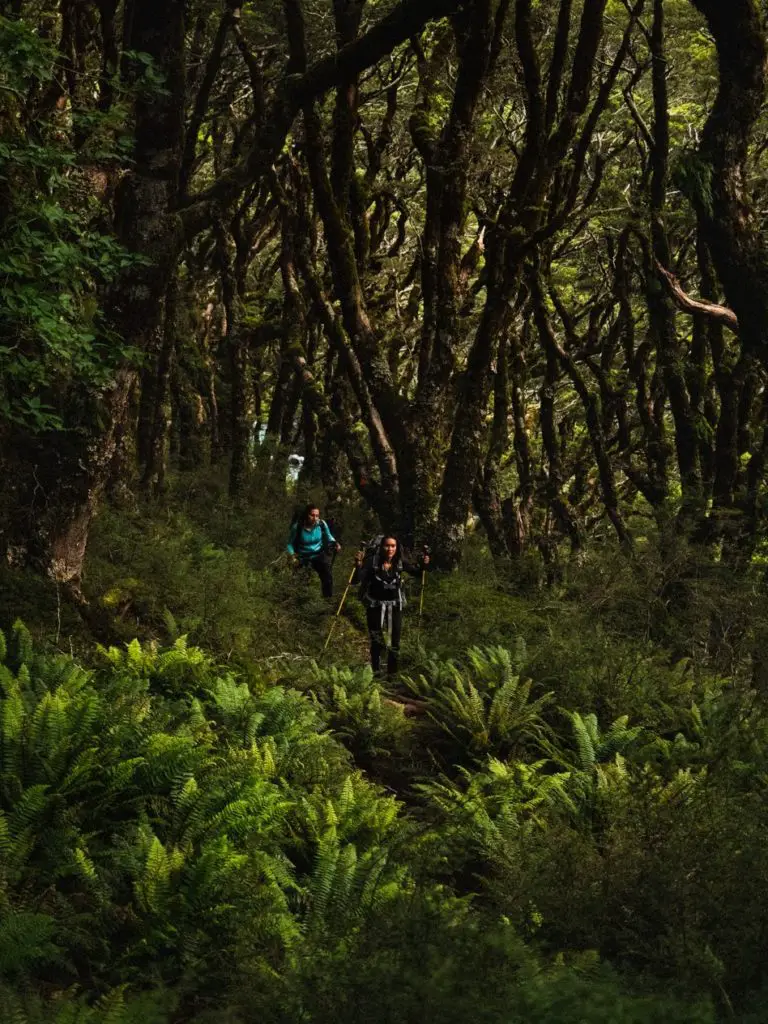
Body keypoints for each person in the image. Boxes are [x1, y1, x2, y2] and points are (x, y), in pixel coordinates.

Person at [355, 535, 429, 676]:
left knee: (395, 640)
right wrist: (358, 565)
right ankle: (376, 671)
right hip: (374, 605)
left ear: (397, 547)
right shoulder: (372, 562)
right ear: (382, 547)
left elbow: (417, 573)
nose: (390, 549)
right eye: (387, 545)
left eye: (393, 546)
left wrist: (424, 564)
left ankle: (392, 674)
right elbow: (357, 579)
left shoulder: (400, 562)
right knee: (376, 639)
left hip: (395, 605)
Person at [286, 504, 341, 598]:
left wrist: (335, 543)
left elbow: (329, 536)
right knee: (301, 581)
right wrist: (292, 556)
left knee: (327, 577)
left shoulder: (321, 524)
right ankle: (299, 601)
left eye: (317, 515)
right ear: (306, 515)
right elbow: (289, 544)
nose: (315, 518)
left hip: (318, 554)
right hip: (303, 556)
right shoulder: (297, 527)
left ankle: (327, 600)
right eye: (312, 515)